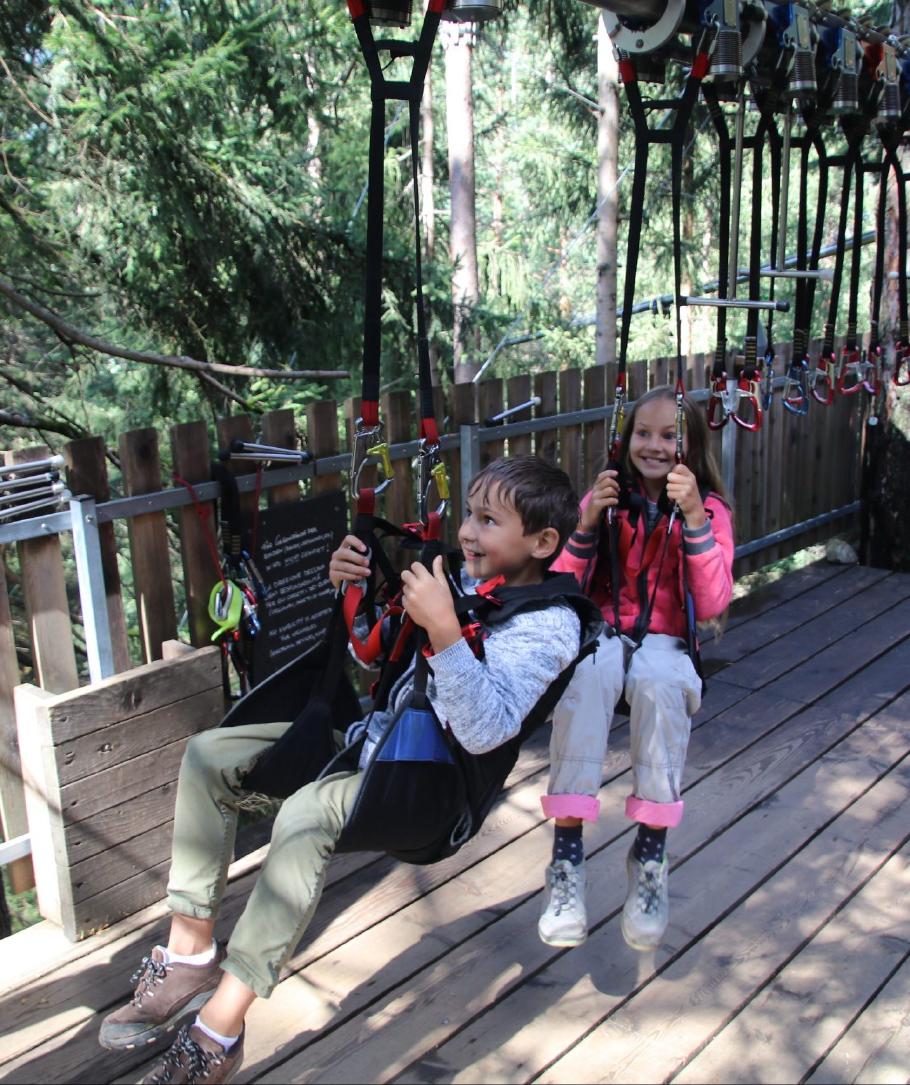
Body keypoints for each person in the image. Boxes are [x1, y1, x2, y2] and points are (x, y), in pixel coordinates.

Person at [99, 455, 587, 1084]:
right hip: (370, 748)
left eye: (489, 520)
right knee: (209, 758)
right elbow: (371, 651)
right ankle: (189, 956)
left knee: (305, 816)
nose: (467, 531)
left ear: (543, 542)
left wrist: (443, 627)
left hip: (433, 791)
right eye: (469, 512)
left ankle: (217, 1033)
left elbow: (486, 729)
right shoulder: (460, 581)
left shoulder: (551, 624)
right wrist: (350, 588)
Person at [537, 386, 734, 952]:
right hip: (605, 633)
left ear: (691, 448)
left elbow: (714, 599)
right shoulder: (609, 499)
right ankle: (567, 859)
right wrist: (588, 521)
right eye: (642, 434)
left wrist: (693, 515)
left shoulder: (709, 511)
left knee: (659, 681)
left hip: (665, 644)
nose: (653, 445)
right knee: (587, 673)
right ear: (625, 439)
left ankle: (650, 853)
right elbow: (563, 588)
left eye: (669, 436)